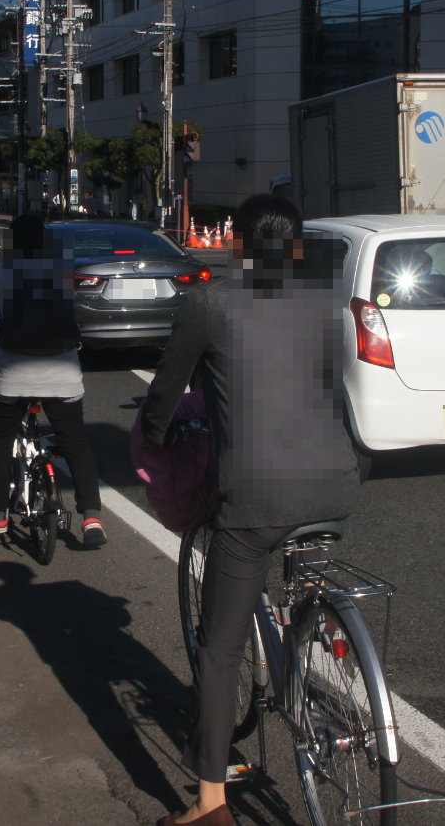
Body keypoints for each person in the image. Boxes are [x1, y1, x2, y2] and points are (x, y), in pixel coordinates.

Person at [141, 194, 357, 826]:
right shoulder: (322, 301)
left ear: (237, 244)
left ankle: (210, 805)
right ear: (297, 249)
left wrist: (154, 436)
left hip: (258, 496)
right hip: (338, 483)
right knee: (293, 556)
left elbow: (166, 388)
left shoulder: (211, 301)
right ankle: (306, 651)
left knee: (219, 648)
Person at [0, 214, 106, 547]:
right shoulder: (62, 272)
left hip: (14, 375)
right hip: (63, 375)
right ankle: (92, 517)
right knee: (76, 445)